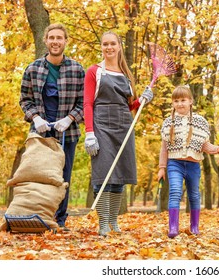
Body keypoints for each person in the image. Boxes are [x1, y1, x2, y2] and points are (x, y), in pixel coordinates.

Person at [83, 31, 153, 236]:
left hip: (124, 126)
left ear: (119, 46)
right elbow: (87, 103)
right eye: (105, 44)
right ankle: (103, 222)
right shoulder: (94, 71)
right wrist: (89, 133)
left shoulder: (126, 73)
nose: (109, 47)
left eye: (113, 43)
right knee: (104, 173)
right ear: (101, 47)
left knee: (119, 175)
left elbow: (130, 105)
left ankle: (113, 220)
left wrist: (143, 100)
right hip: (101, 125)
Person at [19, 23, 85, 231]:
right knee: (35, 174)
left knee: (63, 177)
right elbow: (25, 100)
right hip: (40, 133)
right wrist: (35, 118)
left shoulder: (77, 70)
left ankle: (59, 220)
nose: (55, 41)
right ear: (45, 41)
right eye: (52, 38)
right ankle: (33, 216)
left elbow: (85, 103)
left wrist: (70, 118)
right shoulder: (33, 69)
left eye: (59, 38)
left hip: (68, 133)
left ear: (65, 41)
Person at [157, 85, 219, 238]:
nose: (180, 104)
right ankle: (173, 227)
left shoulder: (200, 122)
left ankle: (194, 226)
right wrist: (162, 167)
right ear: (172, 103)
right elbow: (164, 148)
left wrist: (217, 149)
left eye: (183, 100)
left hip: (193, 164)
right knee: (175, 191)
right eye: (176, 101)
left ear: (190, 101)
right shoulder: (168, 123)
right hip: (174, 164)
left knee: (194, 195)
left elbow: (204, 145)